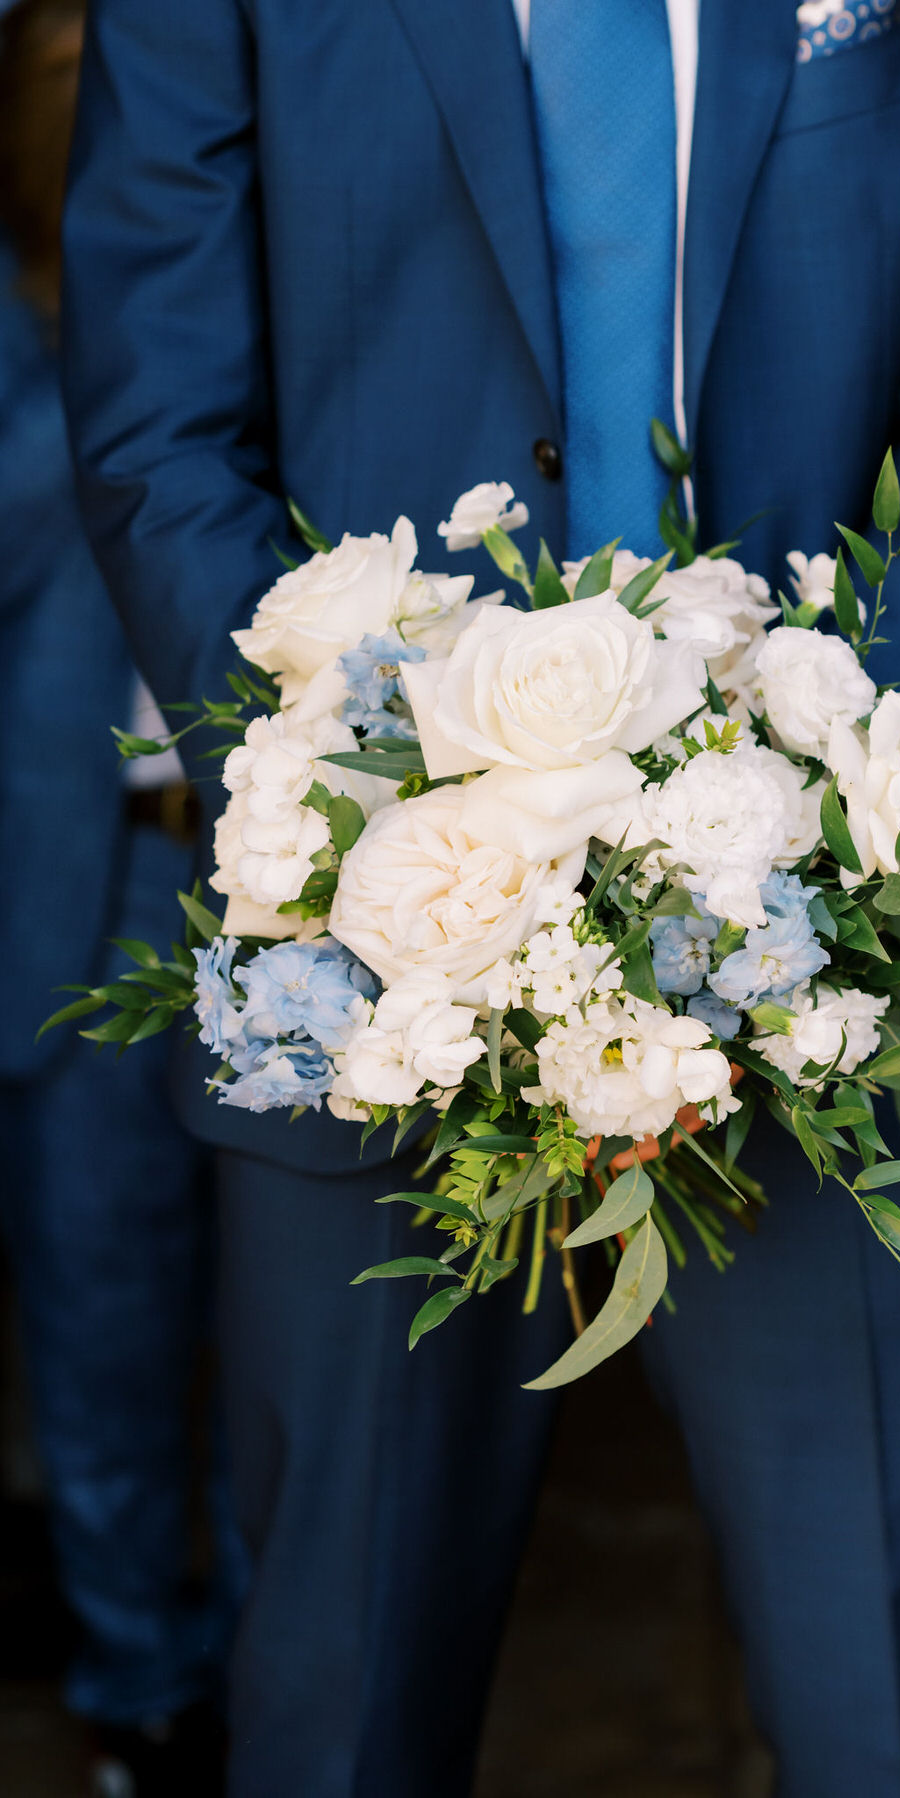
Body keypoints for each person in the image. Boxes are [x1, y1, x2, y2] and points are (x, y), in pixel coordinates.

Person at [59, 3, 900, 1794]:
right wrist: (365, 815)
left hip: (815, 948)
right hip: (373, 946)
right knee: (340, 1707)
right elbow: (159, 419)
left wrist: (814, 817)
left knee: (877, 1713)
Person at [0, 3, 243, 1792]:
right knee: (100, 1308)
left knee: (294, 1315)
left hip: (277, 883)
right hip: (75, 892)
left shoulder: (271, 276)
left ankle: (286, 1658)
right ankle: (138, 1680)